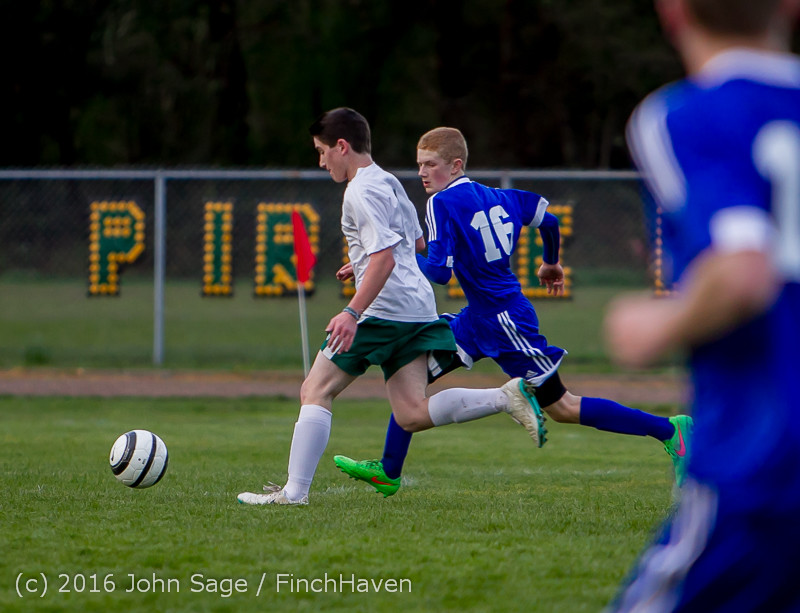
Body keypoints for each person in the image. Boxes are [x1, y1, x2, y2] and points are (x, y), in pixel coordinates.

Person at [334, 126, 693, 497]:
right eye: (419, 164)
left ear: (455, 165)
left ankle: (670, 430)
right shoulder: (501, 196)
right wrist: (550, 262)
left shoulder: (441, 203)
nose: (422, 172)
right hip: (478, 318)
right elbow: (548, 219)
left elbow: (439, 272)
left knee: (563, 407)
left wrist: (390, 260)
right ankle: (389, 470)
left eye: (431, 164)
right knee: (412, 374)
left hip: (505, 321)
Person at [237, 107, 545, 506]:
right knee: (411, 412)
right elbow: (414, 246)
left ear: (342, 146)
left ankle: (294, 494)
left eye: (322, 152)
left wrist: (351, 312)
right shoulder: (389, 181)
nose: (322, 162)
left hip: (383, 310)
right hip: (418, 308)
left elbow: (384, 259)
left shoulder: (359, 190)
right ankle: (505, 397)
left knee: (315, 389)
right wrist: (360, 262)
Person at [602, 0, 800, 610]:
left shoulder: (686, 114)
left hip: (766, 457)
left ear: (673, 13)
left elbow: (744, 269)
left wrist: (659, 324)